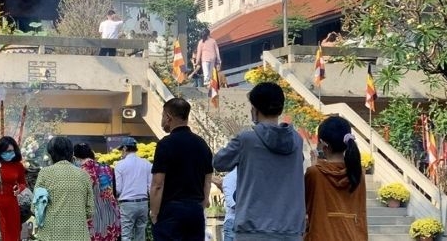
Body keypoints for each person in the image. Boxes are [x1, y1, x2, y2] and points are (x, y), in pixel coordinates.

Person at [213, 82, 305, 241]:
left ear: (255, 110)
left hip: (252, 230)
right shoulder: (296, 141)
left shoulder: (246, 140)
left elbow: (219, 162)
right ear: (280, 108)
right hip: (290, 231)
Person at [149, 97, 213, 241]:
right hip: (195, 210)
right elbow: (207, 182)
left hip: (171, 211)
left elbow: (158, 184)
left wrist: (154, 213)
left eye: (162, 116)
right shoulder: (202, 144)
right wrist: (200, 207)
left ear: (168, 117)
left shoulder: (165, 144)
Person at [304, 116, 367, 241]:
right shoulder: (358, 174)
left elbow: (305, 207)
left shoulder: (314, 173)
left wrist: (315, 165)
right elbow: (361, 214)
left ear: (323, 145)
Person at [34, 136, 94, 241]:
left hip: (51, 235)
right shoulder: (84, 175)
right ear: (71, 153)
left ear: (51, 154)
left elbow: (36, 206)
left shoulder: (45, 173)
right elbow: (90, 211)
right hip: (79, 235)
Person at [73, 143, 121, 241]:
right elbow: (114, 192)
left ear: (76, 158)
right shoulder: (107, 168)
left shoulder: (80, 173)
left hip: (94, 220)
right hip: (111, 217)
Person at [114, 137, 151, 241]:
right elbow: (150, 187)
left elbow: (118, 189)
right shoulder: (147, 164)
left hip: (127, 204)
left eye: (121, 150)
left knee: (126, 235)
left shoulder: (120, 165)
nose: (121, 152)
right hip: (143, 202)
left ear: (125, 148)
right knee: (141, 235)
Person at [0, 136, 27, 241]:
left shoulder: (18, 166)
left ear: (15, 150)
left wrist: (19, 188)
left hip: (11, 204)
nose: (8, 153)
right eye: (5, 151)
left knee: (12, 233)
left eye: (10, 151)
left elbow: (22, 183)